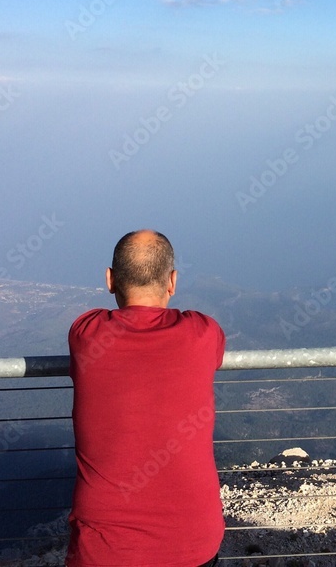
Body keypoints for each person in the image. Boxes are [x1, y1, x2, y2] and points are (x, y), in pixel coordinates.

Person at [67, 230, 225, 567]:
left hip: (105, 550)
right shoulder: (202, 332)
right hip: (192, 543)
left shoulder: (86, 333)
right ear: (173, 281)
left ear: (110, 280)